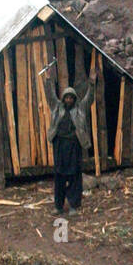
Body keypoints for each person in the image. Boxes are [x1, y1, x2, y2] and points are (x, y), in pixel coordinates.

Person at [45, 60, 97, 216]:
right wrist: (48, 79)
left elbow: (90, 98)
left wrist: (92, 83)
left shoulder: (80, 108)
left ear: (74, 99)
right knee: (59, 176)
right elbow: (50, 95)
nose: (68, 100)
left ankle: (74, 205)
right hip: (60, 145)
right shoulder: (57, 107)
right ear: (63, 98)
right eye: (66, 98)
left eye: (71, 98)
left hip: (74, 146)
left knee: (74, 176)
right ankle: (58, 206)